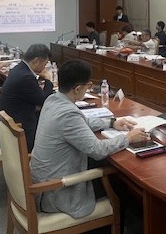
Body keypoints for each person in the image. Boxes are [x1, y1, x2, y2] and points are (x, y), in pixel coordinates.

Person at [30, 60, 148, 218]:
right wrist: (128, 138)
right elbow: (97, 150)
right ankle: (104, 227)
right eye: (88, 86)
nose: (89, 88)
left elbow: (82, 122)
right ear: (78, 89)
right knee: (118, 180)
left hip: (44, 180)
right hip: (57, 191)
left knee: (106, 166)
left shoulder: (53, 99)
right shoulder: (68, 113)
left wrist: (112, 122)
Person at [0, 44, 55, 151]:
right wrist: (48, 80)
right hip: (17, 133)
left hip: (10, 128)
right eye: (45, 64)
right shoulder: (26, 77)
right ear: (37, 61)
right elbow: (44, 101)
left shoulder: (18, 68)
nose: (44, 68)